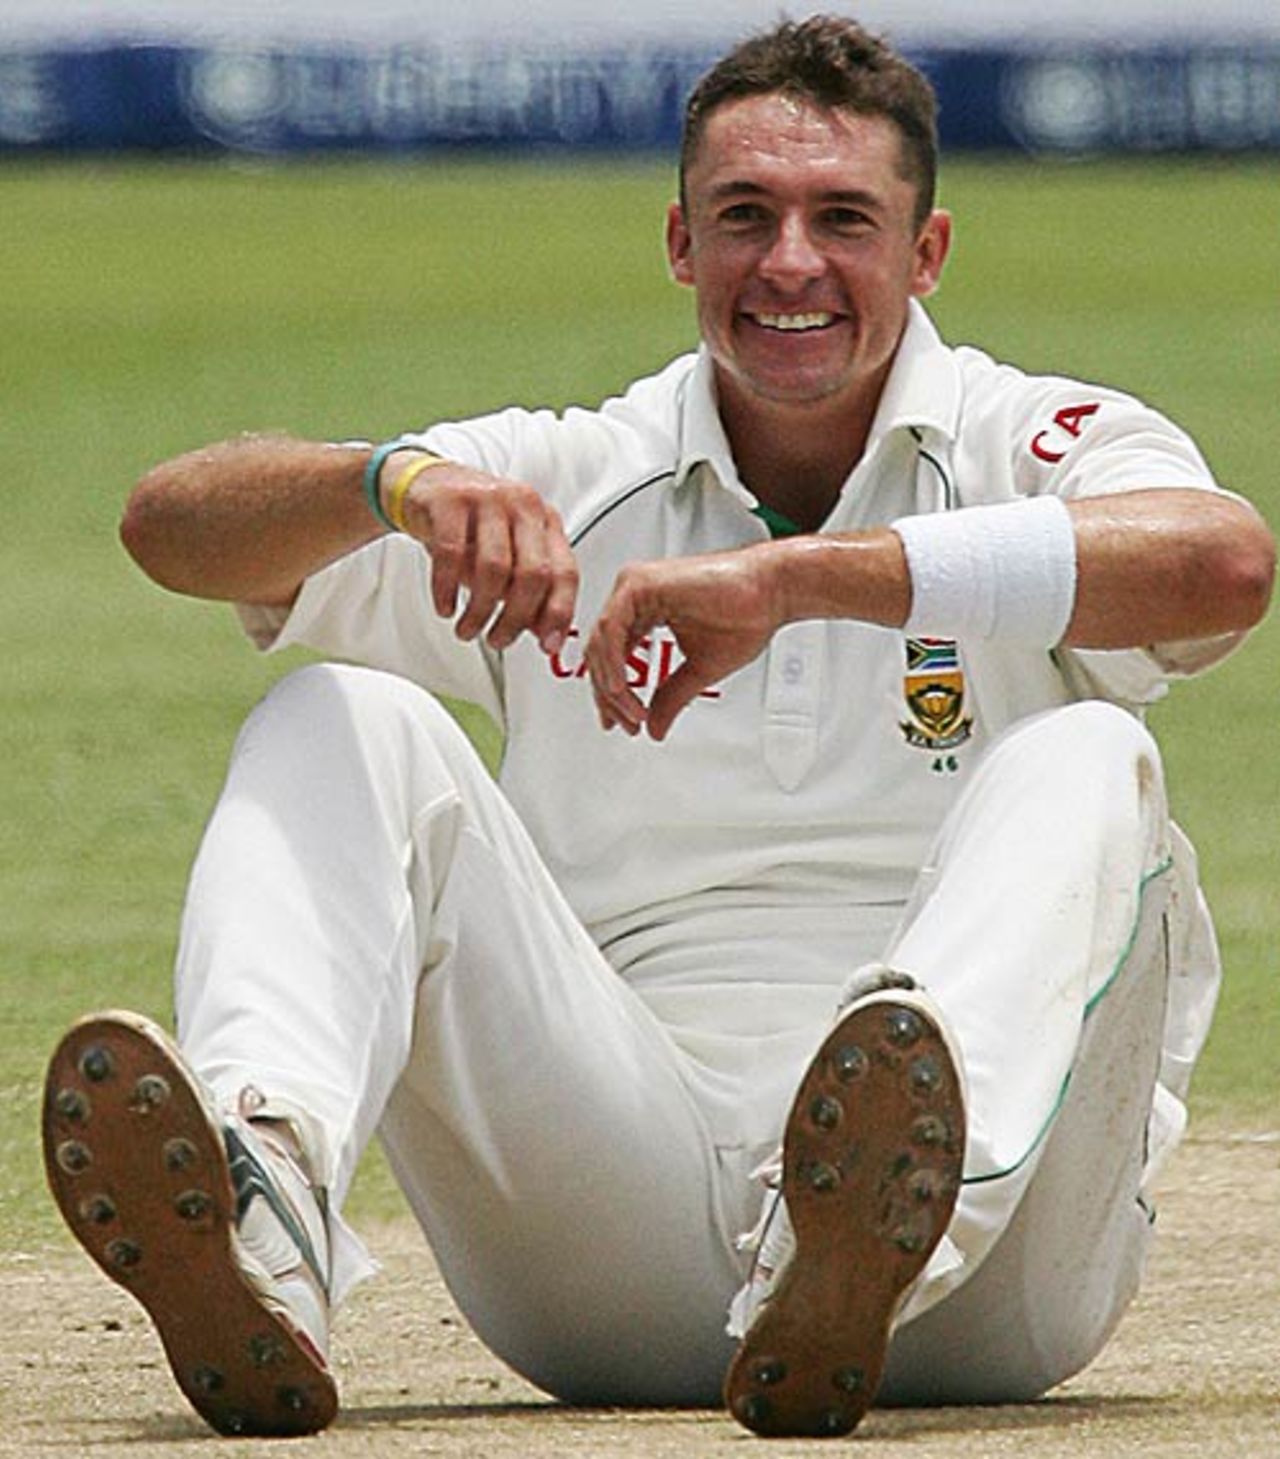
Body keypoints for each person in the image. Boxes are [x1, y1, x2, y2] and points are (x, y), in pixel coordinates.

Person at [42, 13, 1273, 1443]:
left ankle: (876, 1228)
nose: (790, 263)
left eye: (842, 220)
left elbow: (1223, 566)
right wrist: (387, 484)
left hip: (988, 1281)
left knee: (1090, 759)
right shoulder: (574, 475)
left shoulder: (1027, 442)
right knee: (340, 713)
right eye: (743, 217)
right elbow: (169, 531)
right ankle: (262, 1210)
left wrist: (797, 582)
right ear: (681, 245)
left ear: (925, 254)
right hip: (611, 1227)